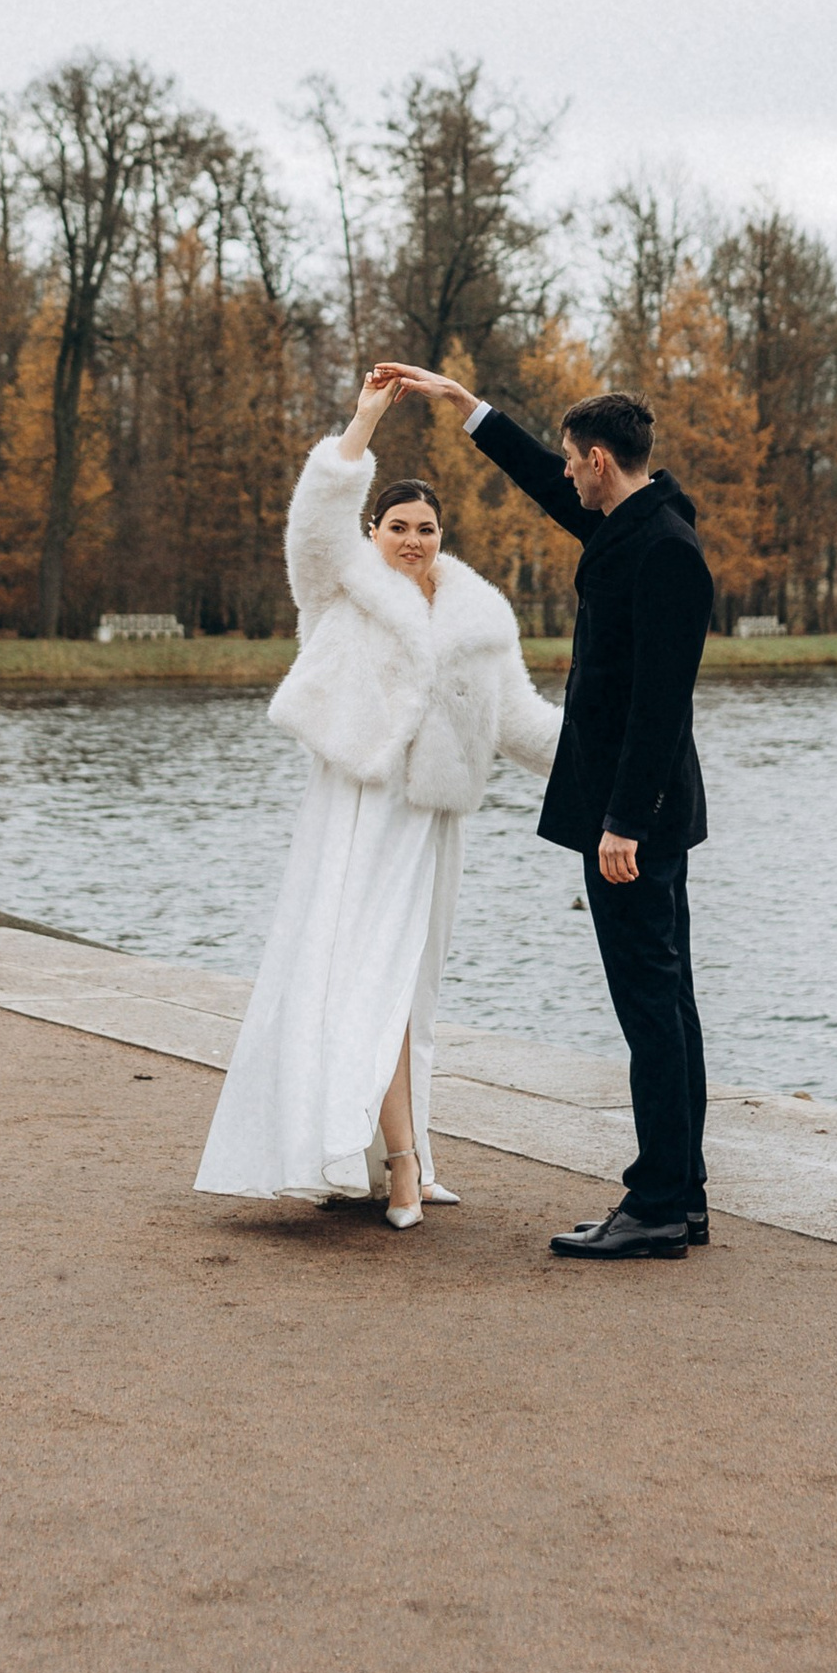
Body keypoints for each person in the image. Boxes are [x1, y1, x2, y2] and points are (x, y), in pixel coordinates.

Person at [194, 369, 560, 1225]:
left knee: (414, 994)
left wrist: (622, 765)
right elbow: (315, 527)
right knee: (368, 986)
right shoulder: (340, 591)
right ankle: (394, 1163)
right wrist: (362, 423)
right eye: (398, 526)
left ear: (443, 535)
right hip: (357, 818)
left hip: (431, 826)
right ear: (374, 530)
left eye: (427, 528)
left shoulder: (478, 621)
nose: (414, 540)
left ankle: (411, 1155)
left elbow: (522, 725)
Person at [383, 369, 714, 1262]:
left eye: (574, 464)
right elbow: (538, 478)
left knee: (653, 1004)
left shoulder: (666, 552)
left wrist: (626, 824)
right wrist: (467, 408)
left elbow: (661, 707)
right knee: (666, 999)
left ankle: (655, 1205)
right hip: (632, 812)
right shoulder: (632, 526)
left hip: (633, 821)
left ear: (601, 461)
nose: (566, 476)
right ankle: (680, 1195)